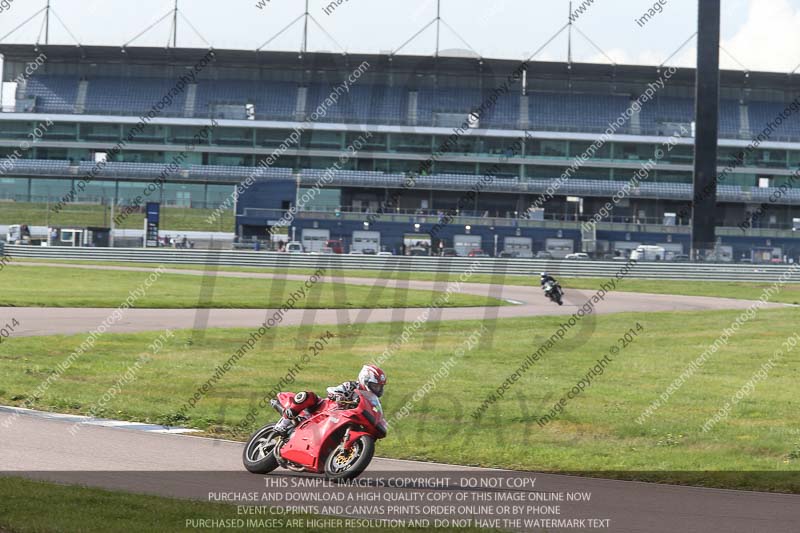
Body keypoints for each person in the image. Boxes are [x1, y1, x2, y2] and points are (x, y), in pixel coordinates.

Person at [273, 365, 387, 436]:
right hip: (323, 409)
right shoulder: (351, 386)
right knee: (307, 396)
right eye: (375, 386)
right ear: (365, 380)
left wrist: (381, 423)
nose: (378, 389)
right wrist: (338, 396)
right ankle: (283, 423)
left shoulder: (373, 401)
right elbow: (332, 390)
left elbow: (377, 414)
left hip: (341, 420)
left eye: (380, 387)